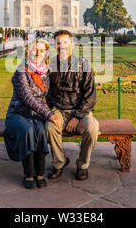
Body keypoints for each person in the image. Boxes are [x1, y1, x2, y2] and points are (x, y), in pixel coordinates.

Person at [3, 39, 62, 189]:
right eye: (35, 49)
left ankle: (40, 174)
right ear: (29, 51)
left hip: (35, 114)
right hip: (17, 113)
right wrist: (49, 115)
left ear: (46, 53)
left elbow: (45, 97)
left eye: (41, 51)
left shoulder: (45, 73)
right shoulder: (21, 71)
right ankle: (29, 174)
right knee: (28, 131)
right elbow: (28, 98)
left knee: (42, 131)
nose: (37, 53)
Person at [45, 30, 98, 181]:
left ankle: (82, 165)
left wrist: (76, 117)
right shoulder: (50, 65)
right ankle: (59, 162)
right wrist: (51, 112)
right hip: (59, 110)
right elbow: (47, 93)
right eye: (58, 43)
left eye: (65, 42)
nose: (62, 46)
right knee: (50, 127)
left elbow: (90, 96)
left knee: (92, 129)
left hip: (80, 111)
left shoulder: (83, 65)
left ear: (72, 45)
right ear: (54, 45)